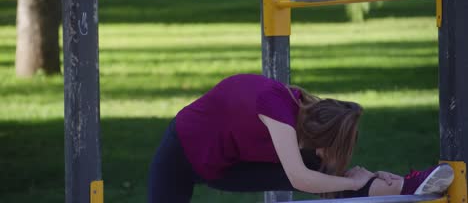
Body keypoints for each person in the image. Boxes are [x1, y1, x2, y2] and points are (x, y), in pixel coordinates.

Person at [148, 74, 454, 202]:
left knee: (327, 176)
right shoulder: (276, 109)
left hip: (229, 163)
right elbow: (299, 179)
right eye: (328, 148)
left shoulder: (301, 115)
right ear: (318, 136)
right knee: (319, 175)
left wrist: (364, 178)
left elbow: (317, 171)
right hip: (182, 155)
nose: (324, 155)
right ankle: (388, 185)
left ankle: (408, 185)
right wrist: (352, 182)